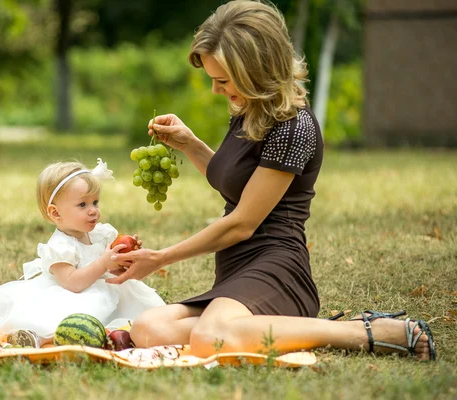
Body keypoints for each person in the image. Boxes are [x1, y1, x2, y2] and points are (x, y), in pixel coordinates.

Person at [108, 0, 436, 360]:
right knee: (147, 328)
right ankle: (257, 328)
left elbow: (243, 223)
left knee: (209, 338)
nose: (217, 91)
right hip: (237, 268)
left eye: (222, 80)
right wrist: (192, 145)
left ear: (255, 70)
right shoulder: (251, 110)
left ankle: (359, 331)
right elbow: (237, 183)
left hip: (277, 266)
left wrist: (161, 258)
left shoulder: (295, 127)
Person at [0, 159, 165, 347]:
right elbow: (73, 283)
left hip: (104, 289)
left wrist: (124, 255)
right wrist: (103, 263)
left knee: (138, 310)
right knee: (74, 315)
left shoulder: (101, 234)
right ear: (55, 213)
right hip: (72, 295)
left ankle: (124, 332)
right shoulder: (59, 246)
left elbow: (112, 267)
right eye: (82, 205)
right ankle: (40, 338)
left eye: (95, 202)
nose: (93, 210)